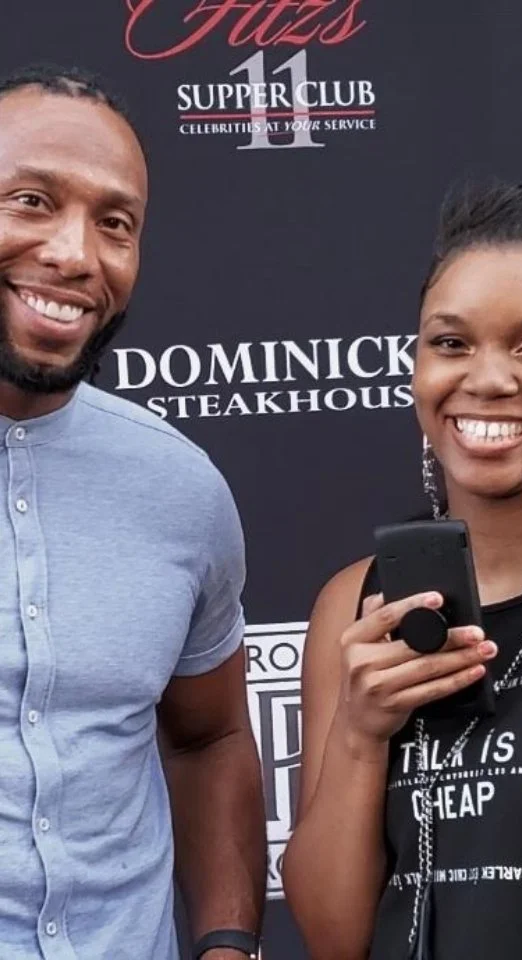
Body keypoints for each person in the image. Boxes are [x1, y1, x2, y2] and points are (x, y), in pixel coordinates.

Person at [0, 64, 266, 960]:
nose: (76, 255)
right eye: (32, 201)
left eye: (115, 223)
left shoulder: (180, 488)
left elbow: (210, 738)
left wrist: (227, 944)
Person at [283, 179, 522, 960]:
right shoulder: (355, 605)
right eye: (451, 343)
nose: (487, 380)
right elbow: (334, 937)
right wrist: (362, 734)